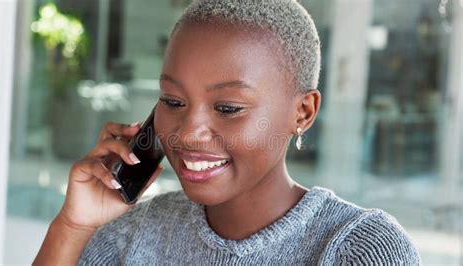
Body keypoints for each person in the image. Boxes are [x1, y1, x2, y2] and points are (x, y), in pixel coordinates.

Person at [34, 0, 422, 265]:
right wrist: (74, 226)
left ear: (303, 113)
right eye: (172, 101)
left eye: (227, 108)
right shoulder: (133, 235)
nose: (189, 133)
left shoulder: (357, 248)